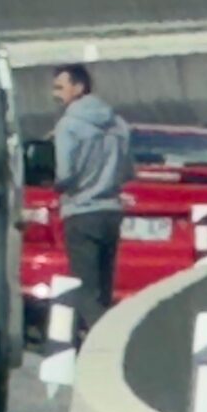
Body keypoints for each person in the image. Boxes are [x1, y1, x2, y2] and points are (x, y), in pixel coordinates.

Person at [50, 63, 133, 334]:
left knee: (85, 290)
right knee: (104, 288)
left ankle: (106, 339)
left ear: (79, 87)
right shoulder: (119, 124)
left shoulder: (68, 126)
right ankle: (94, 339)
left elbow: (65, 174)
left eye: (60, 87)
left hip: (81, 212)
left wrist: (55, 184)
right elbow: (128, 171)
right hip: (111, 211)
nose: (55, 94)